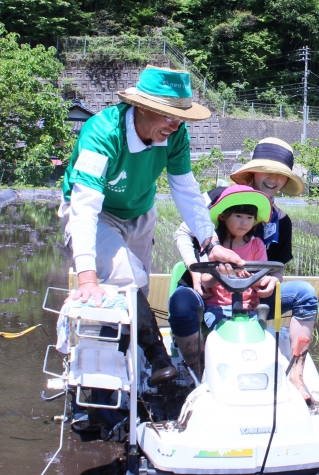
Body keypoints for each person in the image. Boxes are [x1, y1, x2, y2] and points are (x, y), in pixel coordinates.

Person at [59, 65, 243, 387]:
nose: (175, 126)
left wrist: (211, 244)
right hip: (98, 212)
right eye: (168, 117)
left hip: (141, 213)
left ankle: (133, 364)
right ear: (143, 108)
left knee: (138, 289)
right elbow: (85, 205)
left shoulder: (175, 136)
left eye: (180, 118)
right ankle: (156, 355)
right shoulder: (102, 133)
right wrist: (87, 275)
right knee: (123, 275)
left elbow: (185, 189)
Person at [169, 138, 318, 403]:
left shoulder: (280, 220)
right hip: (205, 286)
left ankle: (296, 373)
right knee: (181, 302)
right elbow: (183, 231)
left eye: (280, 176)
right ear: (252, 172)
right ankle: (197, 372)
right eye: (266, 172)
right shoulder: (218, 197)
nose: (272, 180)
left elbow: (278, 267)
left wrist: (273, 281)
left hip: (252, 294)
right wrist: (194, 271)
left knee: (304, 294)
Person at [199, 185, 273, 329]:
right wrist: (220, 274)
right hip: (217, 308)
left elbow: (262, 280)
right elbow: (205, 282)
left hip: (249, 309)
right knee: (225, 333)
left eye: (249, 217)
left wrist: (251, 279)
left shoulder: (257, 245)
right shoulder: (212, 245)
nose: (244, 222)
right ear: (223, 216)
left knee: (255, 337)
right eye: (238, 216)